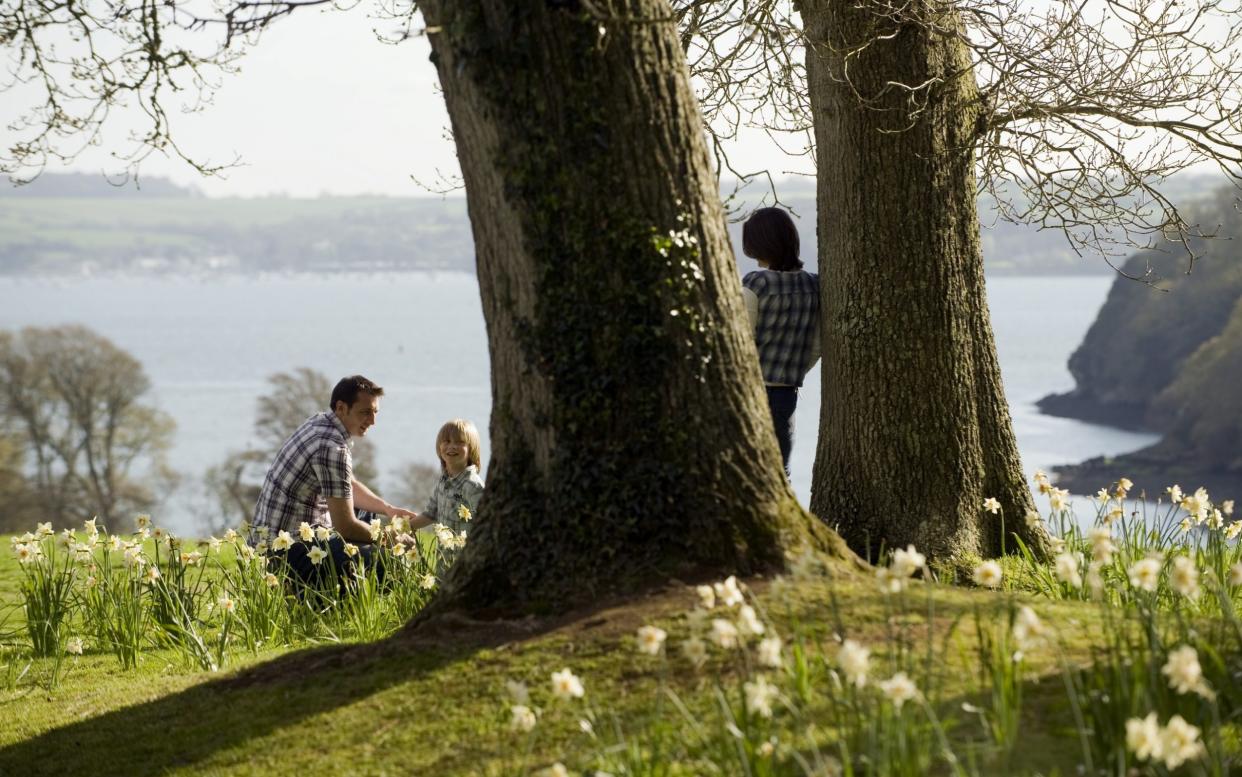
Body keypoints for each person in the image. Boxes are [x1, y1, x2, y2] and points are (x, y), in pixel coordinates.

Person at [250, 374, 417, 585]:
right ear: (341, 407)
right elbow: (345, 526)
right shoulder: (332, 447)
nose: (373, 421)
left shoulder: (320, 422)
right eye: (365, 412)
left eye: (375, 412)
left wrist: (387, 509)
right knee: (390, 562)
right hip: (285, 556)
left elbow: (347, 485)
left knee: (366, 512)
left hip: (271, 543)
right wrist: (392, 539)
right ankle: (317, 596)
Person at [740, 207, 821, 475]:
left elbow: (742, 341)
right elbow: (817, 344)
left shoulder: (755, 283)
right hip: (786, 392)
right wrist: (792, 370)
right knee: (777, 471)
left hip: (751, 390)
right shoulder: (814, 285)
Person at [407, 419, 485, 539]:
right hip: (443, 556)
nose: (452, 446)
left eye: (459, 442)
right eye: (447, 441)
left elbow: (484, 524)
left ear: (471, 449)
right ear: (439, 447)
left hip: (465, 556)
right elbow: (430, 514)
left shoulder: (473, 485)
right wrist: (403, 528)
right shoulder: (443, 481)